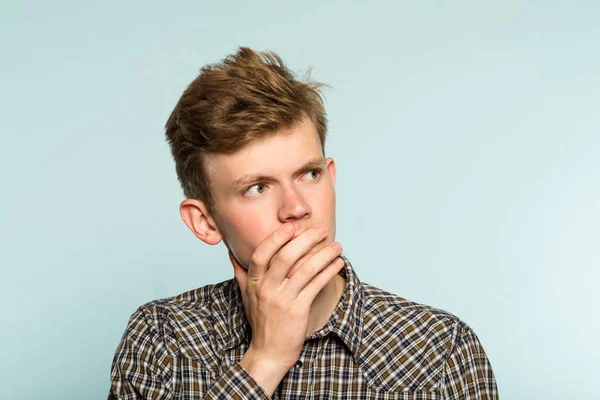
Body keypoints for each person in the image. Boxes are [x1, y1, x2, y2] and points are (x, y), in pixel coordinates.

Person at [108, 47, 499, 399]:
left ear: (330, 176)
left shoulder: (441, 349)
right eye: (257, 188)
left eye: (309, 175)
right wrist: (264, 359)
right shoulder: (161, 340)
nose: (295, 208)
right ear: (205, 221)